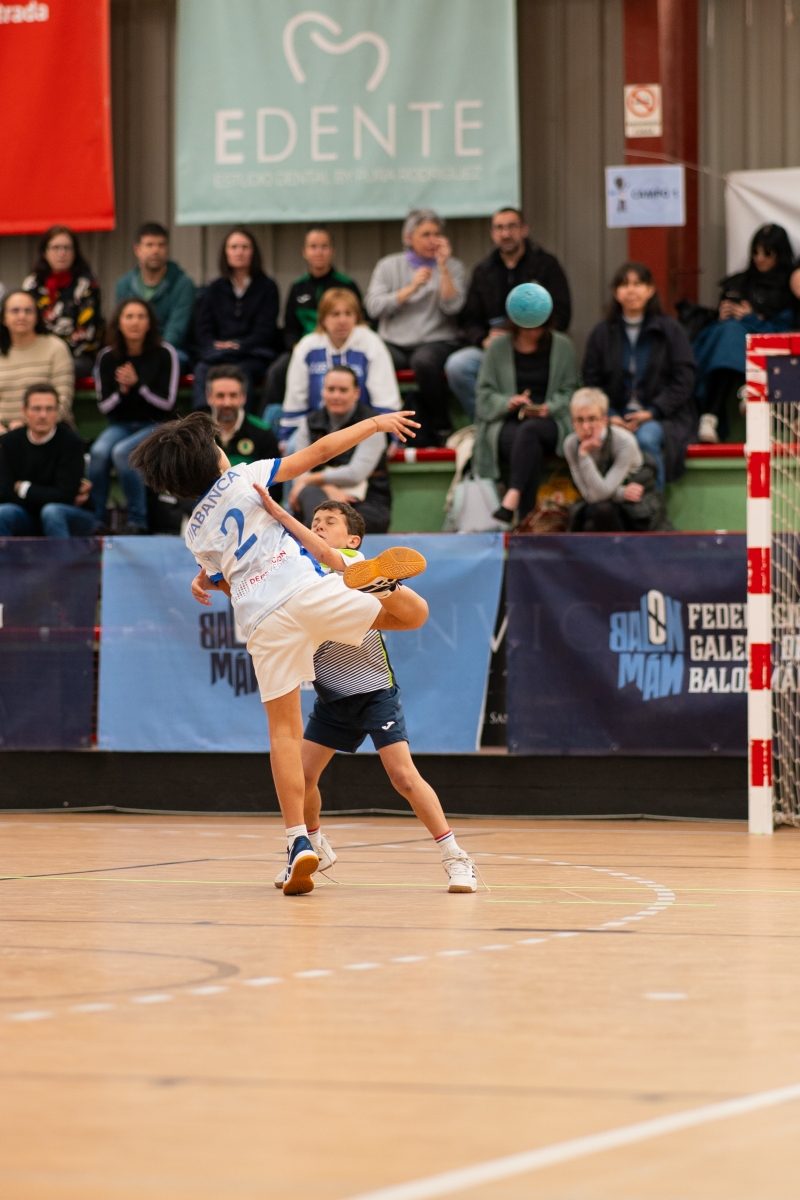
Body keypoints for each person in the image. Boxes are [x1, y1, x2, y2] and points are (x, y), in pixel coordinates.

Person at [129, 407, 428, 895]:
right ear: (215, 456)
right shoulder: (244, 476)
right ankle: (377, 582)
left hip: (261, 619)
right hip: (304, 590)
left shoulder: (193, 532)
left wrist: (206, 579)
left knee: (284, 733)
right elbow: (320, 452)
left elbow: (226, 584)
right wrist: (375, 425)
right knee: (412, 616)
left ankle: (297, 842)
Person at [256, 493, 477, 893]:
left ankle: (456, 857)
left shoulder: (352, 563)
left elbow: (324, 553)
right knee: (301, 777)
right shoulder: (300, 573)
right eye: (316, 520)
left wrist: (279, 513)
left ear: (353, 539)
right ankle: (314, 845)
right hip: (331, 697)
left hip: (374, 692)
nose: (319, 525)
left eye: (329, 521)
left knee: (403, 777)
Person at [445, 208, 571, 419]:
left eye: (512, 226)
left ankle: (538, 419)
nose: (506, 233)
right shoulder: (483, 270)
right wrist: (483, 339)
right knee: (458, 366)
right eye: (499, 228)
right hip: (496, 348)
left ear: (524, 229)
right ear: (492, 234)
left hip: (537, 346)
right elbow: (469, 320)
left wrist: (530, 335)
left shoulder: (546, 265)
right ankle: (487, 424)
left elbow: (562, 314)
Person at [582, 263, 696, 489]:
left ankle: (653, 504)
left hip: (662, 416)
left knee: (646, 438)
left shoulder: (670, 329)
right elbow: (591, 381)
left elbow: (684, 379)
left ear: (650, 289)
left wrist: (653, 411)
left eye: (637, 284)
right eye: (624, 285)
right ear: (615, 292)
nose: (631, 290)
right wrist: (610, 415)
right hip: (614, 415)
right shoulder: (602, 333)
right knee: (598, 440)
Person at [365, 209, 467, 444]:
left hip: (436, 340)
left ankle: (441, 426)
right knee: (372, 357)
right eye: (426, 234)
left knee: (424, 362)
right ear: (408, 238)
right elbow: (373, 307)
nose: (433, 240)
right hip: (394, 341)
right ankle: (378, 429)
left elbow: (453, 306)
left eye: (437, 234)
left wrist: (443, 267)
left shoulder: (454, 266)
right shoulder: (388, 265)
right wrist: (410, 289)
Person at [473, 304, 580, 525]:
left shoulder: (563, 346)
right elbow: (484, 396)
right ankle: (526, 521)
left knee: (530, 432)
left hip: (551, 421)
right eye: (527, 327)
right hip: (507, 421)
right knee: (528, 444)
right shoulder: (497, 347)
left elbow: (572, 391)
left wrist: (549, 407)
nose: (533, 332)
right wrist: (509, 402)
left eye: (539, 326)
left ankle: (512, 498)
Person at [694, 224, 795, 443]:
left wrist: (751, 318)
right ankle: (713, 415)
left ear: (780, 254)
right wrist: (722, 315)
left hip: (769, 350)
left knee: (730, 335)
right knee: (726, 332)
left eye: (767, 253)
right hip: (732, 346)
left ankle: (712, 415)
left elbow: (786, 330)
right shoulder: (740, 282)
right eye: (755, 252)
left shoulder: (789, 287)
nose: (760, 258)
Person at [88, 299, 179, 534]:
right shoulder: (107, 357)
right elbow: (104, 406)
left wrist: (138, 384)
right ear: (118, 323)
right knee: (98, 452)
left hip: (158, 424)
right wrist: (123, 391)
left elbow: (167, 403)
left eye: (141, 316)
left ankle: (137, 521)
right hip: (121, 424)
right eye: (129, 316)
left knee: (123, 452)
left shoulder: (165, 353)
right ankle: (96, 520)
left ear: (150, 323)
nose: (135, 322)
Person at [263, 227, 362, 412]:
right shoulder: (297, 287)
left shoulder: (347, 285)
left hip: (342, 346)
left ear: (332, 251)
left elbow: (360, 321)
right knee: (277, 370)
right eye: (313, 247)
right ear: (304, 251)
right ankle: (270, 420)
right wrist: (297, 348)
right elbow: (290, 328)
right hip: (303, 348)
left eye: (324, 246)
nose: (319, 252)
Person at [281, 288, 400, 440]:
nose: (342, 320)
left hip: (362, 430)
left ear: (356, 317)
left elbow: (385, 398)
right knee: (293, 446)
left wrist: (390, 437)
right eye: (335, 314)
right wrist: (287, 437)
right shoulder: (307, 347)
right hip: (316, 431)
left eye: (348, 313)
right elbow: (295, 399)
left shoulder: (371, 343)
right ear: (323, 318)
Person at [287, 365, 392, 533]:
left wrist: (309, 480)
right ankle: (317, 542)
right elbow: (297, 469)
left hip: (365, 502)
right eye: (331, 389)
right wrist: (326, 488)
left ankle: (315, 542)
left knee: (335, 522)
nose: (336, 396)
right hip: (318, 499)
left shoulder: (374, 424)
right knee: (311, 498)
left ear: (356, 393)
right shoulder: (309, 423)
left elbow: (355, 473)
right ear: (323, 391)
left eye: (343, 390)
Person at [192, 227, 280, 412]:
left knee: (240, 371)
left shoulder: (267, 288)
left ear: (253, 252)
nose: (239, 252)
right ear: (225, 253)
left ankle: (241, 421)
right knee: (201, 369)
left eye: (244, 247)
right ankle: (202, 424)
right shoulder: (214, 288)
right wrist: (217, 345)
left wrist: (238, 345)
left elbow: (265, 331)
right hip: (217, 353)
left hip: (251, 354)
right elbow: (203, 328)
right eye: (233, 247)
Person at [563, 387, 669, 531]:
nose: (586, 427)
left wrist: (584, 455)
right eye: (579, 420)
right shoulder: (570, 444)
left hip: (635, 509)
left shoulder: (624, 441)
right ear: (572, 422)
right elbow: (588, 495)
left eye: (592, 419)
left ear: (605, 420)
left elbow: (600, 495)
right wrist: (621, 493)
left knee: (601, 512)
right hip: (603, 503)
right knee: (595, 515)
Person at [0, 383, 98, 537]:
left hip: (71, 515)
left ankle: (62, 554)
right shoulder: (10, 442)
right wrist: (44, 496)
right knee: (3, 513)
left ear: (57, 412)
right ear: (24, 411)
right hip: (27, 515)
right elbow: (4, 492)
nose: (43, 415)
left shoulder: (71, 442)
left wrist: (24, 488)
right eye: (36, 408)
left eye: (49, 409)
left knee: (52, 512)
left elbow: (65, 496)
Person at [22, 226, 102, 378]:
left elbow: (87, 332)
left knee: (57, 369)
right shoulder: (32, 284)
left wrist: (54, 355)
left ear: (75, 252)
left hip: (77, 355)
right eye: (56, 247)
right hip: (38, 353)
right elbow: (26, 325)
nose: (61, 253)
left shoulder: (87, 285)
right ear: (45, 252)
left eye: (67, 248)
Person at [115, 222, 196, 366]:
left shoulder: (183, 284)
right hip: (132, 349)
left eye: (161, 245)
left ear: (167, 249)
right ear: (137, 250)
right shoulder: (124, 284)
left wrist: (149, 356)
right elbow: (120, 326)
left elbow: (176, 332)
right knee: (104, 362)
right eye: (149, 245)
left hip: (169, 350)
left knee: (172, 359)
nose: (155, 250)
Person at [0, 291, 74, 432]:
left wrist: (28, 427)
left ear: (37, 317)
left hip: (49, 429)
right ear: (4, 318)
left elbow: (63, 400)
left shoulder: (55, 347)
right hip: (4, 431)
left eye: (28, 311)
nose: (22, 316)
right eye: (15, 310)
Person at [206, 363, 281, 499]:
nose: (227, 403)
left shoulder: (263, 433)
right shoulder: (198, 434)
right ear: (209, 397)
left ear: (243, 397)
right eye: (220, 396)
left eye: (233, 395)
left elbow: (275, 488)